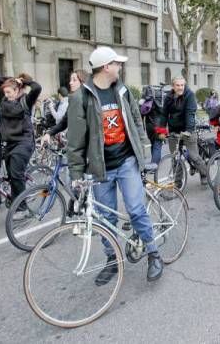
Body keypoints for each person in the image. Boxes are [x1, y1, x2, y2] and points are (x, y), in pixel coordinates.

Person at [66, 46, 162, 283]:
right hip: (100, 169)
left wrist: (145, 153)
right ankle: (113, 260)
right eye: (117, 64)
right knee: (105, 219)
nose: (120, 67)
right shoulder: (81, 98)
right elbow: (76, 140)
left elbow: (136, 123)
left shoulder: (122, 90)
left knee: (136, 210)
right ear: (106, 67)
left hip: (127, 161)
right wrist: (76, 173)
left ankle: (153, 253)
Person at [0, 73, 41, 216]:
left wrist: (25, 81)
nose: (6, 95)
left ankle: (22, 207)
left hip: (24, 141)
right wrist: (11, 79)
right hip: (10, 143)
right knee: (11, 175)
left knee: (16, 174)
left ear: (17, 91)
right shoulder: (4, 100)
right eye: (5, 92)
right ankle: (17, 199)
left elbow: (37, 88)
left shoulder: (26, 101)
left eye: (9, 92)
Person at [156, 76, 208, 185]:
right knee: (175, 157)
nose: (180, 87)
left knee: (194, 156)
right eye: (177, 85)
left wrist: (188, 131)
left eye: (182, 85)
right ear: (173, 86)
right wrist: (161, 131)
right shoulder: (168, 97)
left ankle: (205, 174)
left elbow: (190, 114)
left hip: (188, 130)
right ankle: (178, 182)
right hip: (174, 130)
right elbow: (164, 114)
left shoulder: (189, 95)